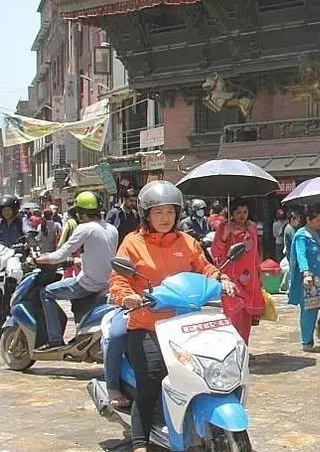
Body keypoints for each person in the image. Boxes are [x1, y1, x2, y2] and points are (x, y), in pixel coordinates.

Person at [108, 181, 235, 452]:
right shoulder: (133, 243)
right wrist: (127, 296)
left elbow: (205, 267)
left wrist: (220, 279)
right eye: (158, 212)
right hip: (146, 324)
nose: (165, 218)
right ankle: (141, 442)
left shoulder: (187, 242)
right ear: (146, 214)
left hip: (186, 323)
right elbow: (119, 279)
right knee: (152, 379)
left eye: (170, 212)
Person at [32, 191, 119, 350]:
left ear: (80, 212)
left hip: (88, 284)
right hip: (107, 283)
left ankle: (55, 340)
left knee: (46, 293)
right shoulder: (112, 229)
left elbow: (60, 255)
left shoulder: (84, 228)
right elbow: (101, 254)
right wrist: (77, 260)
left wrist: (36, 260)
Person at [211, 200, 263, 344]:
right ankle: (233, 345)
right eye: (238, 212)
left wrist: (258, 272)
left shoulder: (252, 227)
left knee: (246, 316)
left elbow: (255, 253)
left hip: (250, 277)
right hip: (232, 277)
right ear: (232, 213)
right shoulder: (225, 227)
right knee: (234, 313)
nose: (242, 216)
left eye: (245, 212)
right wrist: (225, 234)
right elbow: (216, 250)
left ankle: (244, 346)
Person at [288, 206, 320, 352]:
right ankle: (306, 341)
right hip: (310, 279)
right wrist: (306, 273)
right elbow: (301, 255)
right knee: (309, 311)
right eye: (317, 220)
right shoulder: (302, 235)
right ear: (308, 220)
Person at [280, 210, 303, 293]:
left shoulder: (291, 228)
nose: (298, 221)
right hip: (292, 254)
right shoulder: (289, 229)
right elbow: (295, 241)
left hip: (292, 254)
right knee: (293, 272)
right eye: (297, 219)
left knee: (292, 271)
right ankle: (291, 289)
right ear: (292, 219)